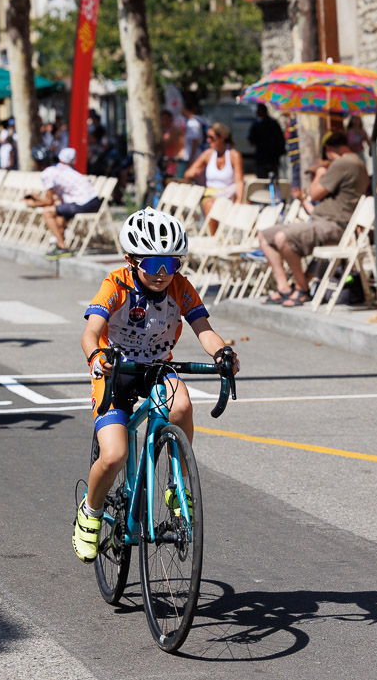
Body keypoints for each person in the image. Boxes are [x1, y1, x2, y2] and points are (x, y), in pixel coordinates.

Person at [73, 208, 240, 563]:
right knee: (115, 454)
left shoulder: (180, 287)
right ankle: (90, 511)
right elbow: (90, 332)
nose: (163, 274)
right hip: (114, 370)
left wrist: (223, 352)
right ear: (131, 261)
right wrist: (95, 356)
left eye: (171, 263)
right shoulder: (116, 283)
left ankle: (176, 487)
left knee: (181, 405)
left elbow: (204, 331)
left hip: (156, 368)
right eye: (153, 265)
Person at [257, 131, 368, 307]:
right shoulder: (358, 162)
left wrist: (320, 173)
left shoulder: (342, 164)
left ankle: (302, 289)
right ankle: (284, 287)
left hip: (333, 226)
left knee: (281, 238)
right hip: (322, 222)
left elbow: (315, 193)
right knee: (264, 235)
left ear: (329, 148)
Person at [26, 146, 102, 260]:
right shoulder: (59, 169)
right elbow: (52, 199)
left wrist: (32, 204)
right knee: (58, 213)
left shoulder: (47, 173)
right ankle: (59, 244)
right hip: (90, 201)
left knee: (47, 212)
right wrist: (37, 198)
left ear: (36, 162)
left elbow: (48, 201)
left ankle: (62, 246)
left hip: (84, 203)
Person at [183, 122, 244, 234]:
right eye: (207, 137)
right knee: (211, 205)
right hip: (211, 195)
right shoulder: (208, 154)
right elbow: (188, 173)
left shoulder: (234, 155)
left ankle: (251, 243)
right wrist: (194, 172)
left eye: (211, 137)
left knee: (247, 205)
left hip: (229, 194)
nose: (208, 140)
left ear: (222, 137)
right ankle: (214, 238)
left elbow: (239, 181)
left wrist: (239, 201)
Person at [247, 104, 285, 179]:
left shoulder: (257, 125)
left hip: (263, 159)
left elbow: (251, 141)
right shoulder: (274, 123)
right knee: (273, 181)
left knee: (263, 183)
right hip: (272, 159)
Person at [178, 101, 207, 179]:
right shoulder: (202, 119)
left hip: (192, 156)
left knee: (182, 179)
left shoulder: (192, 123)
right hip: (200, 153)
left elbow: (194, 142)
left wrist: (191, 159)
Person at [160, 109, 183, 177]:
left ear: (170, 119)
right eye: (162, 119)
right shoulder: (163, 130)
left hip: (172, 162)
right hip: (164, 161)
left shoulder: (173, 130)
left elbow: (166, 143)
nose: (164, 121)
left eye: (166, 119)